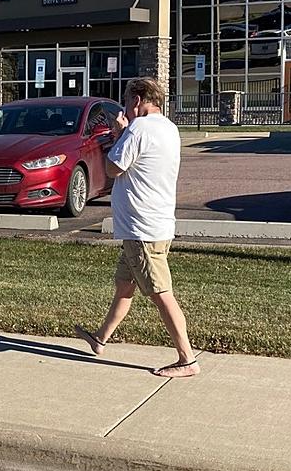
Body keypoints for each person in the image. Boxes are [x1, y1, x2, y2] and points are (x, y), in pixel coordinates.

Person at [75, 77, 199, 378]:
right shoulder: (168, 127)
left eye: (127, 101)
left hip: (142, 228)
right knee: (125, 286)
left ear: (137, 100)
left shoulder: (139, 129)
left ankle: (187, 359)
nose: (125, 108)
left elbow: (113, 167)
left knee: (161, 293)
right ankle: (100, 338)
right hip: (152, 224)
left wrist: (119, 133)